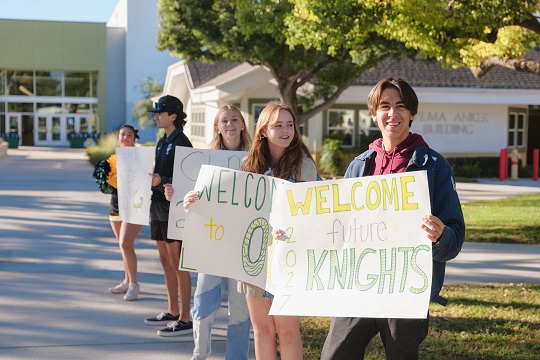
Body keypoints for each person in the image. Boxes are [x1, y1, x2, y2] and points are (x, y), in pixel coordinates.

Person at [321, 77, 465, 360]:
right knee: (334, 355)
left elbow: (455, 237)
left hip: (406, 287)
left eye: (400, 106)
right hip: (359, 283)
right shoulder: (359, 165)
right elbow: (337, 225)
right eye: (384, 106)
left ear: (411, 113)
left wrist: (440, 236)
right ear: (374, 114)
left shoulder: (435, 166)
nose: (392, 113)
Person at [166, 105, 252, 360]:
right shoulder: (202, 160)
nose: (230, 124)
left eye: (235, 119)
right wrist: (177, 196)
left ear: (243, 124)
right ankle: (199, 354)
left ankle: (237, 357)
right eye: (224, 120)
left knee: (239, 311)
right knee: (203, 305)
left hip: (241, 246)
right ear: (217, 127)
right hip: (211, 244)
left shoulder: (255, 159)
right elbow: (186, 201)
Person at [236, 100, 320, 359]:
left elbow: (316, 213)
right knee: (262, 329)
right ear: (263, 130)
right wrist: (198, 198)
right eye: (278, 125)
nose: (285, 130)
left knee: (287, 329)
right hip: (254, 257)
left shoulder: (304, 166)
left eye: (290, 125)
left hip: (288, 258)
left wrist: (289, 229)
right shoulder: (248, 166)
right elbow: (235, 210)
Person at [144, 95, 194, 337]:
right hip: (158, 208)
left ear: (173, 115)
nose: (156, 116)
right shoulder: (162, 140)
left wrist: (161, 181)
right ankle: (173, 310)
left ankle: (186, 318)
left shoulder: (182, 142)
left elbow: (190, 180)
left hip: (174, 210)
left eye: (160, 113)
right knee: (165, 263)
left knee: (178, 264)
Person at [106, 124, 143, 301]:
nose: (126, 138)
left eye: (129, 135)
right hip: (116, 204)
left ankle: (134, 285)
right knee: (123, 246)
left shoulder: (140, 157)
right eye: (123, 134)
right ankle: (127, 280)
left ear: (134, 138)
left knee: (126, 243)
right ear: (118, 137)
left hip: (135, 204)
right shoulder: (113, 158)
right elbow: (108, 183)